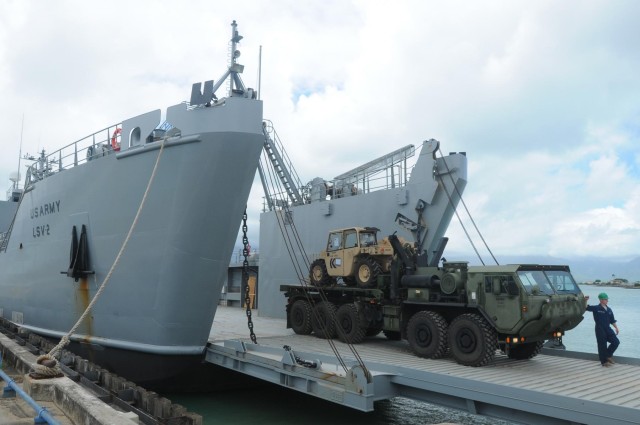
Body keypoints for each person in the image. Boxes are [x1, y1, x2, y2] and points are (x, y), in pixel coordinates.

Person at [585, 293, 619, 367]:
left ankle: (608, 355)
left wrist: (616, 327)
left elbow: (612, 320)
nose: (607, 301)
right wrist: (585, 301)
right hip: (600, 329)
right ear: (600, 300)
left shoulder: (609, 309)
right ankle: (604, 362)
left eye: (607, 299)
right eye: (605, 299)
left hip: (608, 328)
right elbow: (586, 308)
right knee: (602, 345)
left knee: (616, 342)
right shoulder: (596, 308)